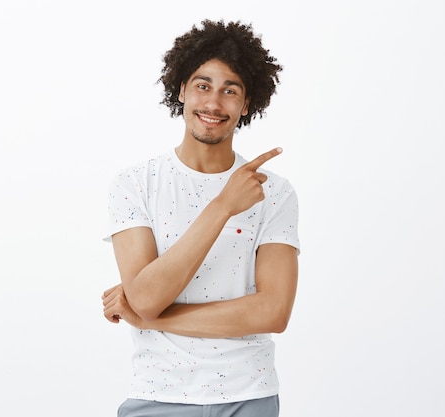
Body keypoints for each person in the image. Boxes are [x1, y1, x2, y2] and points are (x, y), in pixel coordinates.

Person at [101, 19, 299, 417]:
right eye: (203, 86)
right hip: (159, 395)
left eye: (230, 91)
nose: (213, 103)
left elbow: (273, 313)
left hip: (250, 395)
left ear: (246, 105)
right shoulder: (135, 183)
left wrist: (149, 318)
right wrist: (223, 206)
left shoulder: (273, 191)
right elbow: (145, 297)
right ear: (181, 91)